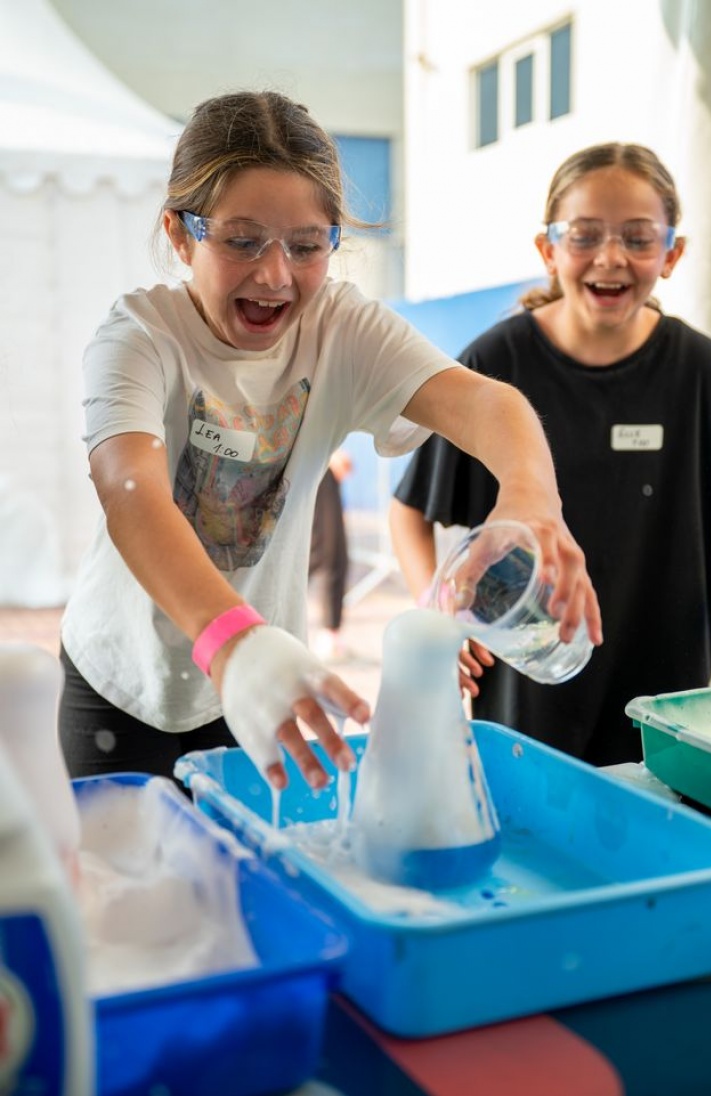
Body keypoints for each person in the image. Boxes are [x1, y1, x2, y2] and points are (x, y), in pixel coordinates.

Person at [57, 90, 601, 792]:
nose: (275, 274)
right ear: (181, 233)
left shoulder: (341, 330)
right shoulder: (139, 337)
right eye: (241, 241)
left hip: (259, 677)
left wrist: (531, 499)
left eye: (308, 245)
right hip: (122, 678)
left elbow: (486, 403)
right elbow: (131, 492)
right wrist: (232, 640)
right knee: (120, 857)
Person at [391, 142, 711, 768]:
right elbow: (409, 510)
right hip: (525, 689)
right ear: (548, 250)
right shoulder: (495, 364)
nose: (610, 257)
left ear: (672, 254)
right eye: (584, 235)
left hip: (664, 702)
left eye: (637, 237)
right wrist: (437, 610)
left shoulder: (702, 371)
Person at [309, 448, 353, 662]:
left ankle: (330, 633)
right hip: (311, 454)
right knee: (328, 549)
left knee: (325, 548)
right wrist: (330, 451)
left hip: (310, 454)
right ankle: (330, 634)